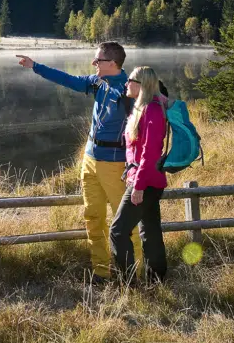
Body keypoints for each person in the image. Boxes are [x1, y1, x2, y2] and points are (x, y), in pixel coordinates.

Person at [16, 42, 141, 282]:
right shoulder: (97, 83)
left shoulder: (129, 91)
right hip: (90, 160)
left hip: (115, 166)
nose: (94, 64)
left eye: (98, 60)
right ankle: (101, 272)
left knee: (124, 222)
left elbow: (145, 129)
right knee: (93, 218)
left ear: (112, 63)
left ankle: (135, 274)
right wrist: (35, 66)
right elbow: (68, 79)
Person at [109, 65, 169, 283]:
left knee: (118, 231)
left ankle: (128, 283)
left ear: (142, 84)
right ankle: (157, 283)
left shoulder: (152, 110)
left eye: (131, 80)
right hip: (148, 180)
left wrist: (138, 186)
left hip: (146, 181)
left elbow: (150, 153)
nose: (127, 84)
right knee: (150, 232)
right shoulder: (143, 107)